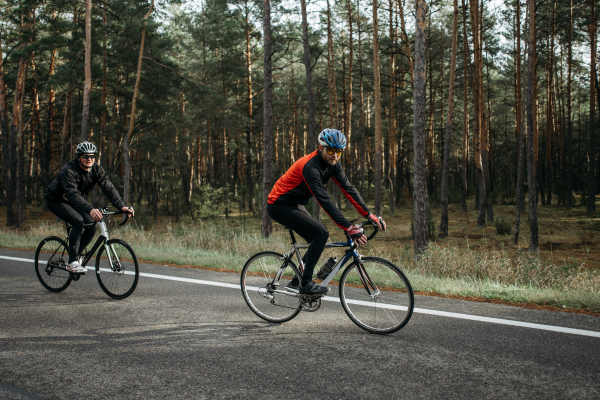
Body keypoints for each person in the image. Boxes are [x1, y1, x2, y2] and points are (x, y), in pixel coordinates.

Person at [267, 128, 386, 295]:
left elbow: (349, 189)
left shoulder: (333, 165)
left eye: (339, 152)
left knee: (317, 239)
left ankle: (297, 281)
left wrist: (369, 215)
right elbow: (323, 199)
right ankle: (306, 284)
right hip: (279, 204)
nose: (335, 155)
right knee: (321, 233)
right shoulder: (310, 167)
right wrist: (347, 226)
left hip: (294, 204)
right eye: (331, 150)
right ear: (321, 147)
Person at [45, 141, 134, 274]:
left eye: (92, 156)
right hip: (56, 200)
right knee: (78, 221)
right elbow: (72, 195)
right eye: (86, 156)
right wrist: (91, 209)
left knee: (92, 225)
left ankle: (75, 255)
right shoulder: (68, 170)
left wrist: (121, 206)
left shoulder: (97, 169)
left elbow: (108, 187)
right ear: (79, 157)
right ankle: (72, 263)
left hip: (74, 202)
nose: (89, 159)